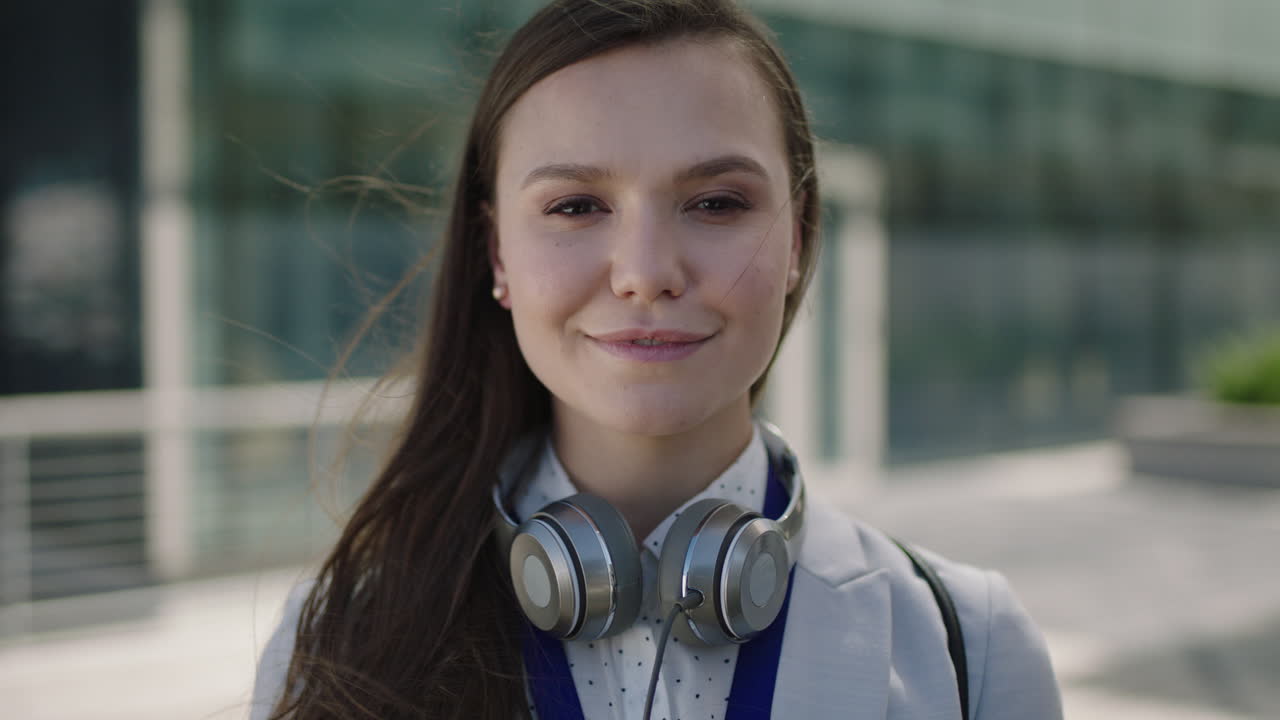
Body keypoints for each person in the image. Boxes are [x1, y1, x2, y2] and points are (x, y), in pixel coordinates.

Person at [250, 1, 1063, 718]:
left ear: (800, 239)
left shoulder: (970, 649)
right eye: (575, 206)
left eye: (716, 204)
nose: (645, 272)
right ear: (496, 251)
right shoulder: (336, 641)